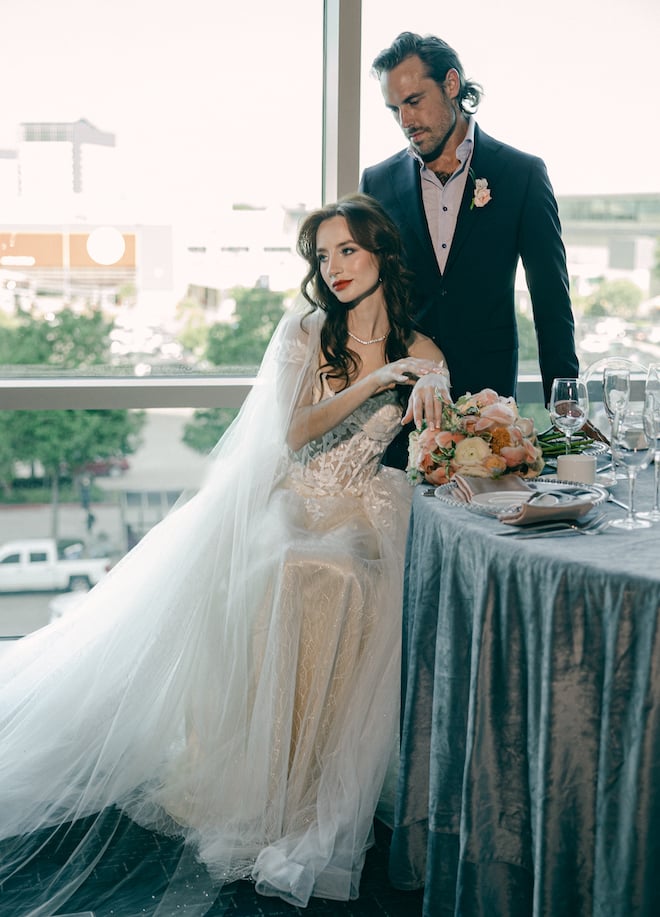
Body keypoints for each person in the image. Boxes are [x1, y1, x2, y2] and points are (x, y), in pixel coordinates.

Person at [0, 193, 447, 915]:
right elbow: (292, 434)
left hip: (366, 503)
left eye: (348, 251)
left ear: (380, 255)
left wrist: (447, 410)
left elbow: (435, 446)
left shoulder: (423, 352)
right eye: (322, 255)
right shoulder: (309, 333)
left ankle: (315, 789)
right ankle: (266, 786)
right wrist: (368, 382)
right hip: (293, 496)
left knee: (356, 576)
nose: (332, 268)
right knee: (298, 565)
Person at [360, 31, 580, 466]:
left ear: (452, 84)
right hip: (404, 404)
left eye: (415, 100)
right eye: (394, 109)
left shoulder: (521, 174)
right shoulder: (377, 182)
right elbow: (370, 299)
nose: (405, 119)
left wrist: (565, 403)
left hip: (489, 401)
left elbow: (550, 297)